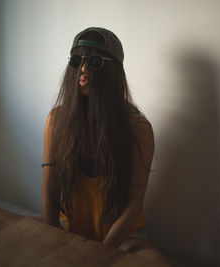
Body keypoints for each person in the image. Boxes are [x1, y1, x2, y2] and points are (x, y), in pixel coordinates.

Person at [40, 27, 170, 265]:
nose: (83, 69)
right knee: (14, 231)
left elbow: (133, 205)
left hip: (120, 238)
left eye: (95, 61)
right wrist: (52, 244)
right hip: (69, 234)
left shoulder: (137, 128)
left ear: (112, 70)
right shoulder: (57, 120)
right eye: (77, 60)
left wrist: (98, 255)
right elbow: (49, 192)